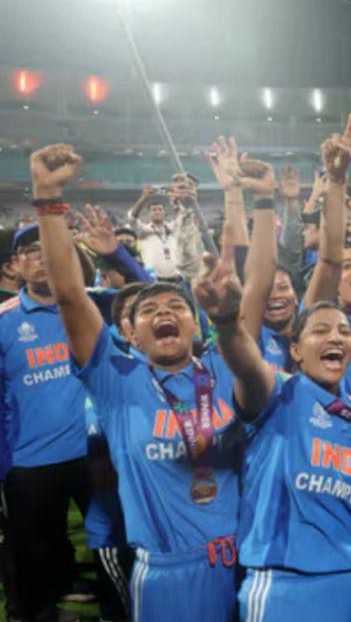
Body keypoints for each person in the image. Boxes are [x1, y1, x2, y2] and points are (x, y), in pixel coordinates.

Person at [190, 188, 351, 618]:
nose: (336, 338)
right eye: (321, 331)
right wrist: (226, 321)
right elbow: (246, 365)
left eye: (344, 332)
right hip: (290, 586)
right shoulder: (277, 394)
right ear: (296, 351)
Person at [33, 143, 252, 622]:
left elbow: (240, 280)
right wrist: (48, 200)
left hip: (246, 563)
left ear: (195, 325)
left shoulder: (223, 370)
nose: (163, 312)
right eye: (147, 310)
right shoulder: (116, 380)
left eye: (176, 306)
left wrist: (234, 192)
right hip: (168, 575)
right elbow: (69, 296)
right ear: (129, 334)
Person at [0, 219, 92, 621]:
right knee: (32, 548)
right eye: (31, 251)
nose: (41, 259)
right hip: (29, 460)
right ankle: (34, 610)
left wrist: (115, 253)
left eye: (49, 249)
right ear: (15, 266)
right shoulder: (4, 321)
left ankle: (84, 586)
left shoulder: (91, 307)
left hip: (94, 453)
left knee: (109, 535)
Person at [128, 184, 180, 279]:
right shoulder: (143, 230)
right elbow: (132, 218)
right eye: (153, 210)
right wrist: (144, 197)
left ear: (165, 213)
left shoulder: (173, 227)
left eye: (160, 209)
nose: (157, 212)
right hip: (153, 277)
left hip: (177, 276)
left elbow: (184, 216)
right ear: (149, 214)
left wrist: (175, 198)